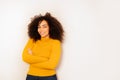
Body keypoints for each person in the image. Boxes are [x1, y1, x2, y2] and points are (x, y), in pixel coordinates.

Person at [22, 12, 64, 80]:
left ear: (50, 28)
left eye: (44, 26)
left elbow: (52, 65)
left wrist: (32, 58)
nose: (41, 30)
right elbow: (25, 57)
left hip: (49, 77)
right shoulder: (32, 40)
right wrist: (46, 60)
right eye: (39, 27)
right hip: (31, 76)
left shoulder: (55, 43)